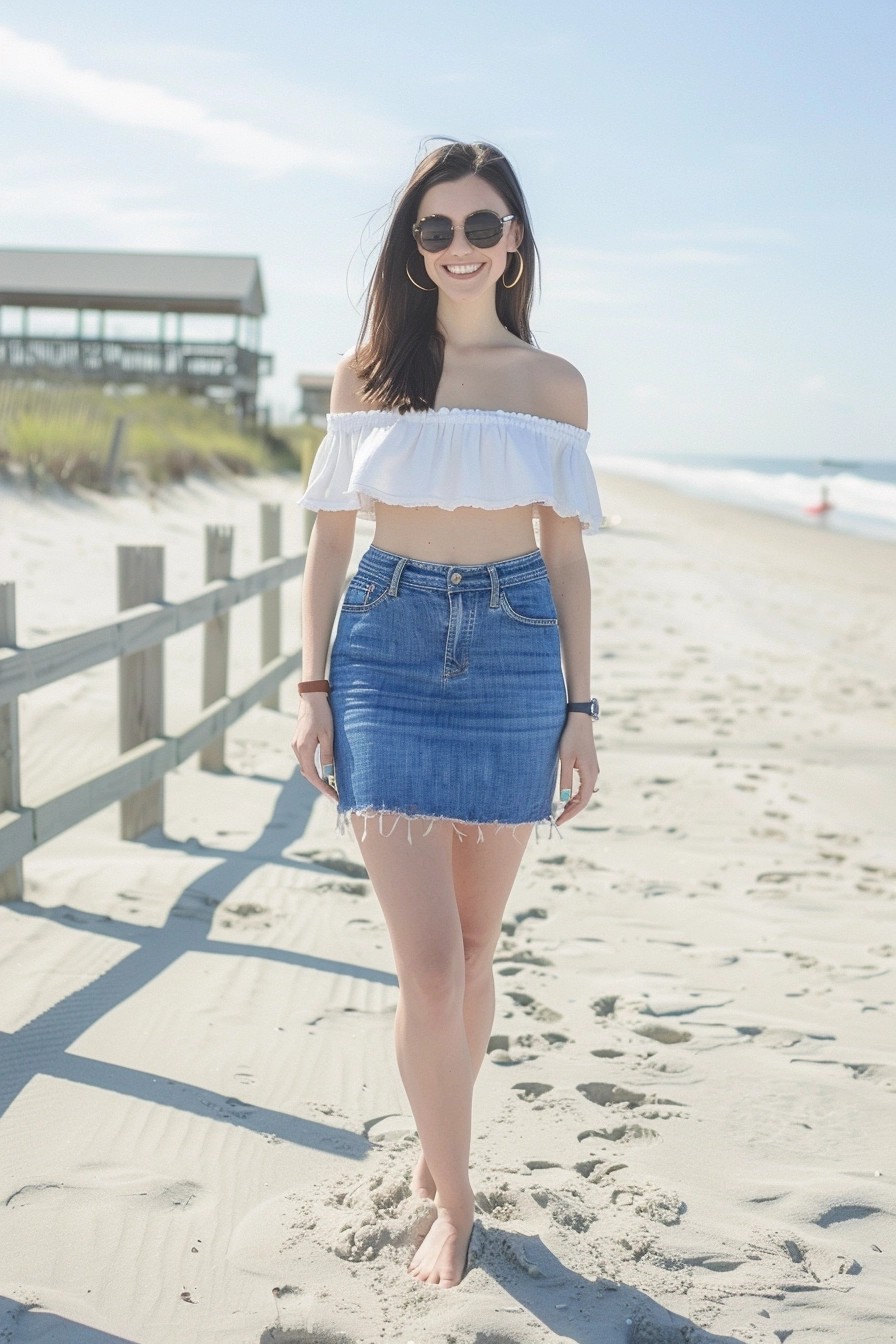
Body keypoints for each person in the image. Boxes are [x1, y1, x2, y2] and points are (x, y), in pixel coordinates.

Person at [291, 139, 603, 1289]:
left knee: (476, 952)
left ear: (513, 239)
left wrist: (581, 706)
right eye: (436, 229)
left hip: (518, 652)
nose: (460, 247)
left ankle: (436, 1148)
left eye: (481, 226)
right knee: (427, 968)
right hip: (384, 650)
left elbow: (564, 561)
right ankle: (454, 1203)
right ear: (411, 250)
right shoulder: (366, 372)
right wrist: (313, 689)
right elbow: (328, 543)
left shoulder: (553, 385)